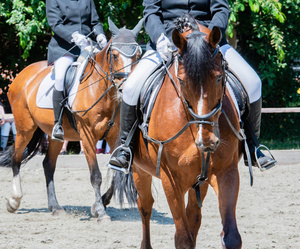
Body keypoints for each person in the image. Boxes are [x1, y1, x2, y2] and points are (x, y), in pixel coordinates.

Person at [109, 0, 277, 171]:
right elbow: (151, 12)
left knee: (254, 82)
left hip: (209, 42)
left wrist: (210, 35)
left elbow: (221, 8)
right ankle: (125, 149)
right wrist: (159, 38)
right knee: (130, 88)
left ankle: (253, 146)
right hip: (169, 41)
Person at [46, 0, 107, 142]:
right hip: (64, 48)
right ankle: (58, 124)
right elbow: (55, 24)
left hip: (87, 45)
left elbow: (95, 22)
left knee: (105, 71)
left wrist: (100, 34)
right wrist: (73, 36)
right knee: (61, 77)